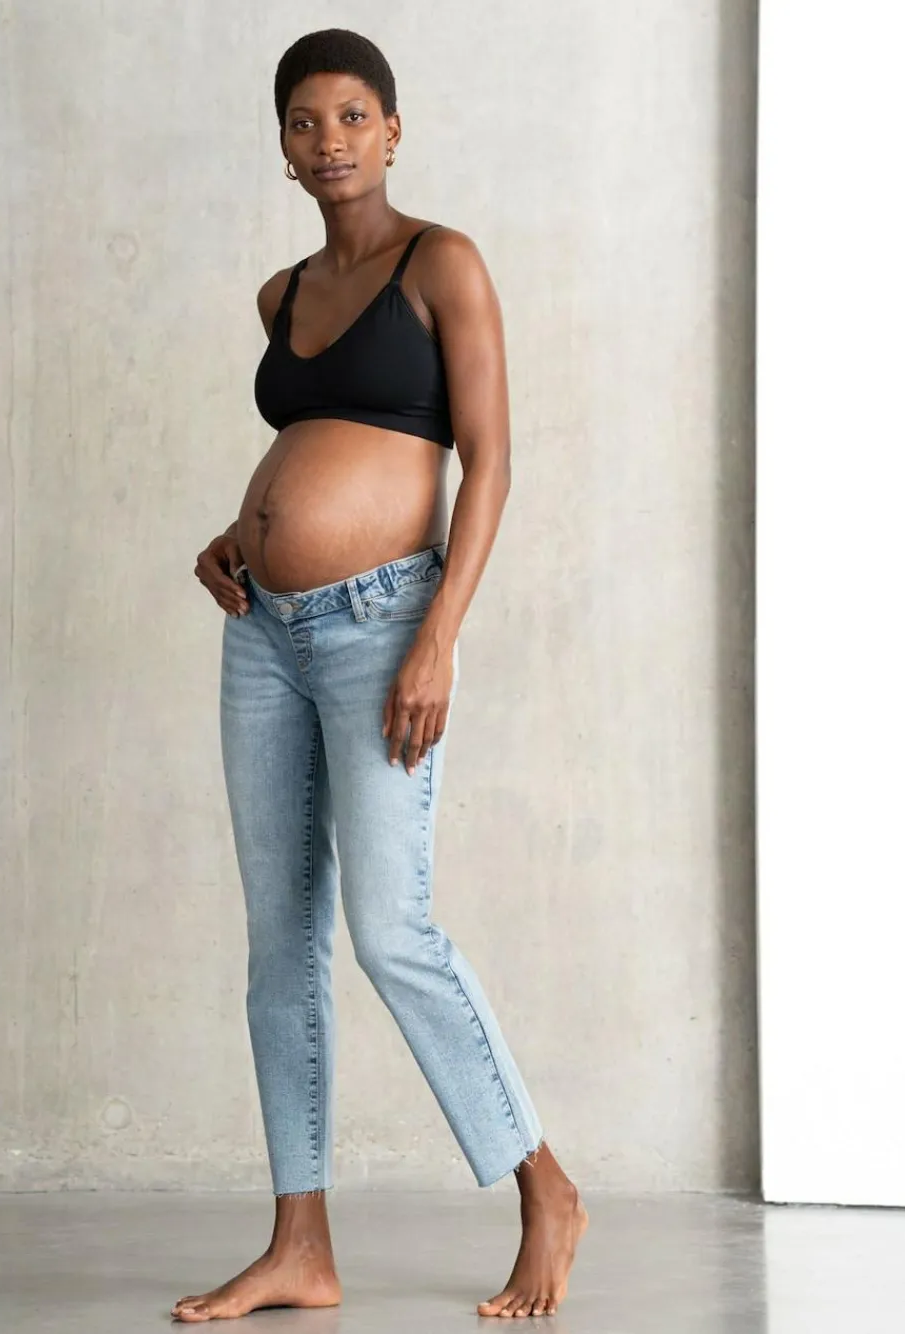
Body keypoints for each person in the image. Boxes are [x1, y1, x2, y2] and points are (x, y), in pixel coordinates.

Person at [171, 27, 588, 1324]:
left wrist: (438, 635)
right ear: (284, 148)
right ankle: (300, 1242)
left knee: (391, 930)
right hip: (264, 634)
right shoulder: (281, 295)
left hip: (382, 625)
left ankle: (544, 1185)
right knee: (279, 945)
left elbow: (489, 459)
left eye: (354, 115)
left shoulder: (441, 263)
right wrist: (241, 535)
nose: (331, 139)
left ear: (393, 131)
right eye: (306, 121)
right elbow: (315, 444)